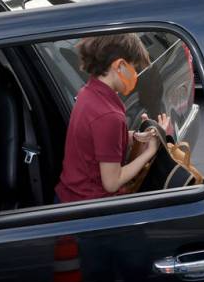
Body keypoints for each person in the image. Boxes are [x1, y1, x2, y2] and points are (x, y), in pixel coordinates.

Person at [55, 34, 168, 203]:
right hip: (90, 208)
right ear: (120, 66)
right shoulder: (109, 116)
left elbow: (95, 142)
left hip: (69, 198)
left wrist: (135, 136)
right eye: (134, 68)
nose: (136, 75)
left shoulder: (88, 93)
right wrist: (151, 150)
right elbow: (112, 183)